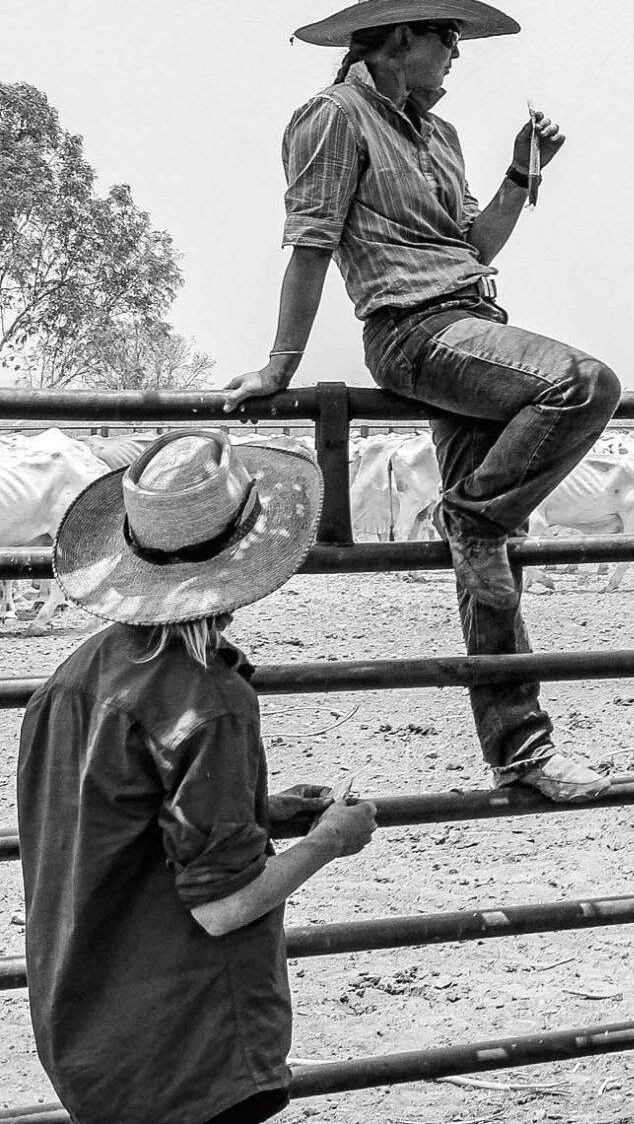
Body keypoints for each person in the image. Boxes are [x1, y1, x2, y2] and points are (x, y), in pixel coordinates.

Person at [221, 0, 615, 801]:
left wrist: (523, 173)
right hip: (412, 332)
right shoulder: (331, 117)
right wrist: (280, 365)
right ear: (401, 37)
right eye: (448, 37)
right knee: (584, 384)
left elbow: (474, 247)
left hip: (472, 325)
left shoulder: (441, 135)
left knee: (490, 555)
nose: (456, 56)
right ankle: (474, 514)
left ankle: (522, 751)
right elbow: (312, 243)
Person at [20, 431, 381, 1124]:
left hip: (89, 1027)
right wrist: (331, 839)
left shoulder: (73, 679)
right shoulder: (209, 701)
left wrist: (260, 807)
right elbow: (223, 906)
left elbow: (120, 816)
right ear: (245, 555)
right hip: (188, 1045)